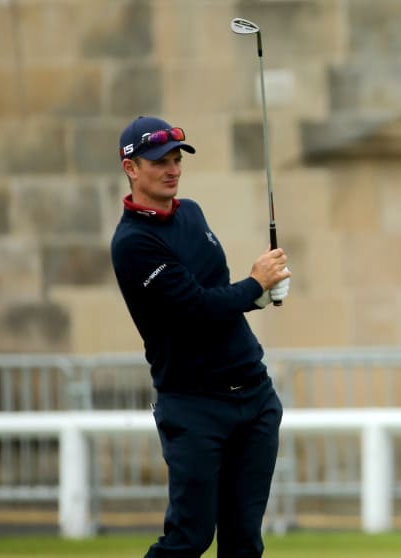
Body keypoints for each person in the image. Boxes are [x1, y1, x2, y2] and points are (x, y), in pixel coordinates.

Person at [110, 115, 291, 558]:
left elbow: (218, 291)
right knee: (189, 538)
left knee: (244, 541)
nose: (172, 169)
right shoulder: (133, 243)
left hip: (254, 395)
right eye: (159, 162)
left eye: (176, 159)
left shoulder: (191, 213)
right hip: (193, 405)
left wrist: (261, 295)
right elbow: (194, 309)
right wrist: (255, 285)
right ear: (131, 168)